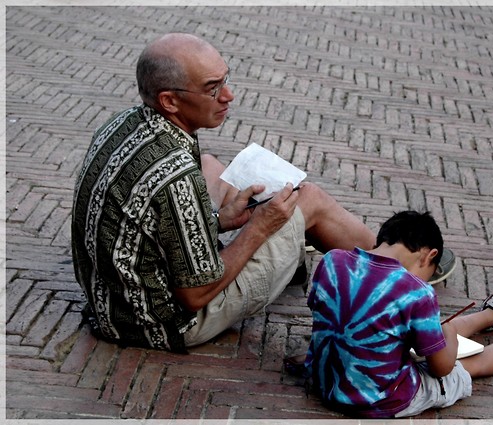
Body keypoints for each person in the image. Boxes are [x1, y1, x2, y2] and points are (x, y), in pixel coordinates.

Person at [71, 33, 457, 352]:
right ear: (170, 100)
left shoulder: (124, 122)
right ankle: (397, 268)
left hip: (110, 301)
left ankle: (305, 252)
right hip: (164, 322)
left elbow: (157, 214)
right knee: (307, 200)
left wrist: (220, 220)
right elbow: (195, 294)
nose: (229, 96)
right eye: (213, 89)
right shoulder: (175, 177)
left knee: (212, 168)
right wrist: (259, 226)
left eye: (225, 80)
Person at [301, 210, 493, 418]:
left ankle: (490, 316)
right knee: (464, 366)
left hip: (326, 381)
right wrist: (448, 334)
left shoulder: (333, 260)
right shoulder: (416, 291)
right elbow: (441, 369)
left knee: (422, 328)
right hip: (376, 398)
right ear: (430, 256)